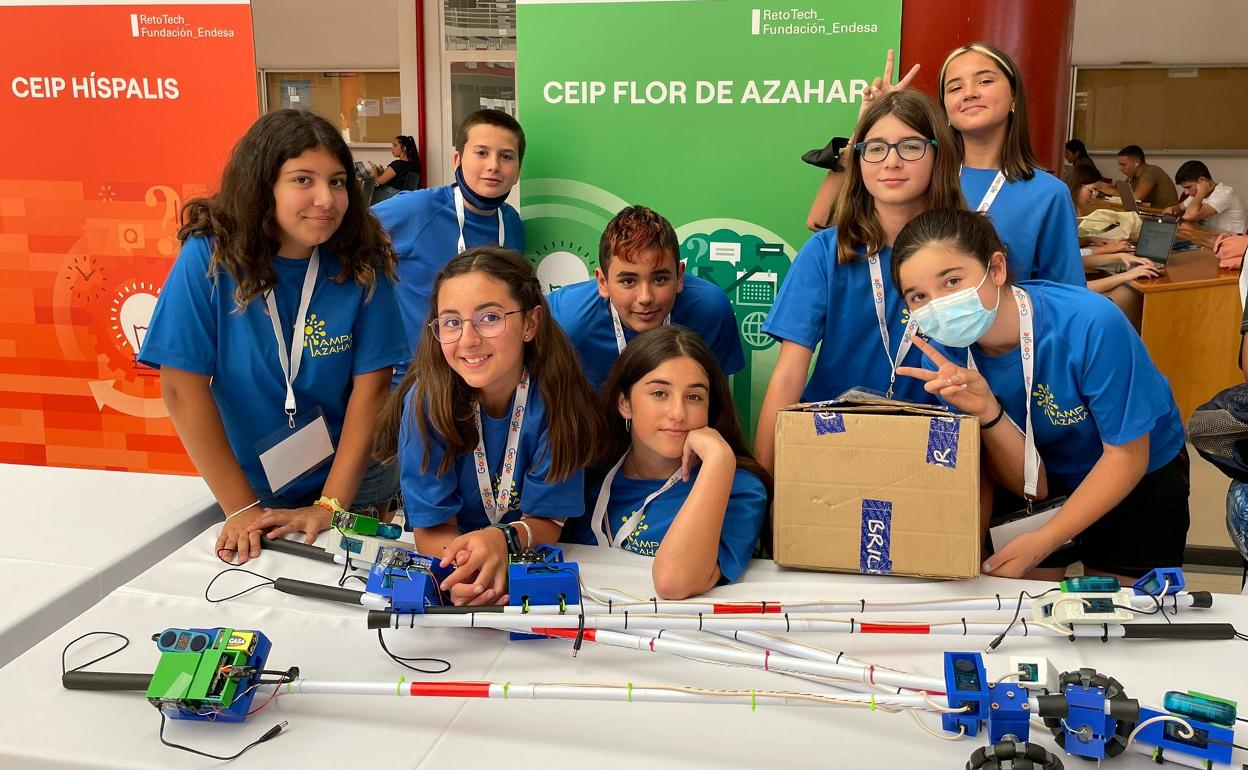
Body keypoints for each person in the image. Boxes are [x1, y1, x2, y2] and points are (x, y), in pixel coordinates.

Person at [139, 109, 408, 565]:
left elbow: (374, 386)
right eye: (303, 180)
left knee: (346, 581)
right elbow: (182, 388)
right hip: (254, 482)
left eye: (338, 182)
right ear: (263, 185)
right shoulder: (211, 257)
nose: (326, 199)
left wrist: (330, 506)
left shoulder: (361, 257)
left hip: (353, 474)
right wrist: (240, 508)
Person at [892, 208, 1189, 581]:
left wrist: (1047, 538)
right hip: (1035, 475)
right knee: (1019, 603)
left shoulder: (1090, 322)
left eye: (952, 281)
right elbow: (1028, 484)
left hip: (1135, 472)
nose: (939, 304)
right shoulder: (941, 355)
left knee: (1126, 607)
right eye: (919, 296)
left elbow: (1127, 455)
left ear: (996, 269)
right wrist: (988, 412)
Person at [374, 245, 601, 606]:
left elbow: (547, 521)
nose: (468, 340)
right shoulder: (426, 402)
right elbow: (431, 528)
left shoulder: (558, 396)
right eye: (452, 322)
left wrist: (502, 541)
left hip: (526, 557)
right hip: (455, 556)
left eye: (490, 318)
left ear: (530, 323)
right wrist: (468, 572)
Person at [755, 89, 964, 472]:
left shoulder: (967, 253)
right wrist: (765, 484)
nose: (892, 161)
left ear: (939, 154)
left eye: (911, 146)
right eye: (876, 148)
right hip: (831, 443)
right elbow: (788, 376)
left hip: (933, 452)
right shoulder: (826, 252)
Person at [564, 326, 770, 599]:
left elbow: (675, 582)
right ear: (625, 404)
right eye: (660, 393)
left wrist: (719, 459)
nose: (678, 413)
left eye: (694, 397)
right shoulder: (584, 476)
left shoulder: (739, 488)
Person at [373, 109, 525, 378]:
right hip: (414, 380)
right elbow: (344, 239)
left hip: (478, 373)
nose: (493, 165)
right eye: (481, 153)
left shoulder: (511, 223)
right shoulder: (416, 209)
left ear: (518, 171)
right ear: (457, 160)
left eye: (506, 156)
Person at [547, 205, 744, 390]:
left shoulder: (710, 309)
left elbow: (716, 401)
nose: (645, 298)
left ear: (679, 276)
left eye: (659, 279)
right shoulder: (563, 320)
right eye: (628, 281)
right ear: (603, 283)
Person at [938, 42, 1084, 285]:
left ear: (1013, 96)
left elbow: (1065, 294)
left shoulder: (1049, 194)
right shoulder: (926, 179)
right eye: (955, 87)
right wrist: (880, 114)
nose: (969, 93)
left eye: (985, 81)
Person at [1164, 160, 1247, 234]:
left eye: (1188, 187)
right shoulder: (1197, 194)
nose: (1186, 192)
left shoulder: (1224, 193)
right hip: (1208, 240)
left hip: (1230, 242)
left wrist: (1201, 192)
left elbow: (1189, 216)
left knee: (1185, 229)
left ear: (1202, 180)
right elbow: (1180, 207)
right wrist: (1173, 209)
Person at [1109, 145, 1179, 209]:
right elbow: (1121, 191)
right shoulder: (1132, 176)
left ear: (1137, 163)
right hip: (1149, 211)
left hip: (1164, 215)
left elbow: (1135, 198)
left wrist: (1110, 191)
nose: (1120, 169)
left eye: (1123, 165)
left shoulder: (1151, 172)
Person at [370, 134, 420, 199]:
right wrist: (382, 172)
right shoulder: (412, 165)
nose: (392, 148)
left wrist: (375, 175)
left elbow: (378, 183)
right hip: (401, 197)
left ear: (404, 148)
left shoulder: (397, 164)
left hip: (389, 197)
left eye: (395, 146)